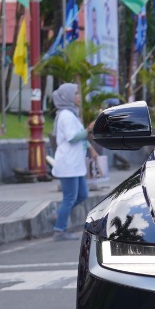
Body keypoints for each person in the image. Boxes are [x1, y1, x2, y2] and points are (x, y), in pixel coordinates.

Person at [49, 82, 89, 240]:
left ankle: (58, 215)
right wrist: (89, 130)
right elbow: (72, 137)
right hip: (68, 164)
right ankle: (59, 230)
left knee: (83, 194)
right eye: (76, 93)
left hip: (75, 164)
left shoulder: (72, 114)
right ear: (68, 96)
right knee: (70, 198)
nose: (78, 96)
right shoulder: (66, 115)